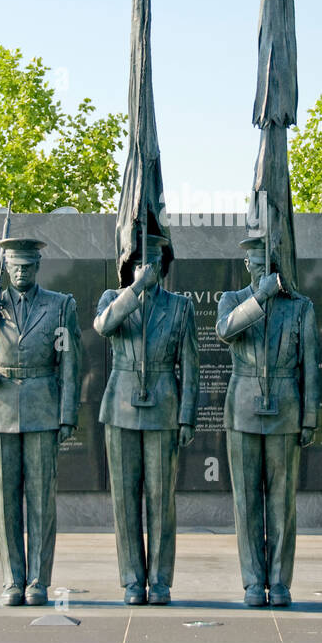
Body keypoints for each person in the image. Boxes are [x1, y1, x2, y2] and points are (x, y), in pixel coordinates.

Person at [0, 237, 80, 606]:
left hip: (43, 406)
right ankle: (12, 579)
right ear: (7, 268)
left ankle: (38, 581)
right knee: (6, 500)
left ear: (37, 267)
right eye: (15, 267)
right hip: (0, 407)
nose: (21, 272)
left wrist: (67, 416)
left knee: (42, 500)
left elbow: (70, 364)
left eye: (27, 267)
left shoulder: (60, 306)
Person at [93, 233, 198, 605]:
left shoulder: (180, 306)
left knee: (160, 498)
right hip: (121, 405)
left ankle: (161, 579)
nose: (147, 267)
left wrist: (187, 415)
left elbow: (190, 365)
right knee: (124, 500)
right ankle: (133, 580)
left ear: (164, 267)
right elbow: (104, 326)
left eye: (153, 262)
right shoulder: (113, 298)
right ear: (129, 266)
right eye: (139, 261)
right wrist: (135, 288)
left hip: (163, 406)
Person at [215, 236, 318, 607]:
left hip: (286, 409)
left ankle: (280, 580)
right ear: (247, 266)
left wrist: (309, 418)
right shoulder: (232, 301)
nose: (263, 273)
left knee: (281, 502)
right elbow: (226, 331)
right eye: (256, 267)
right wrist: (259, 296)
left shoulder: (299, 307)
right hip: (243, 410)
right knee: (246, 503)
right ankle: (253, 582)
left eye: (268, 267)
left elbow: (309, 366)